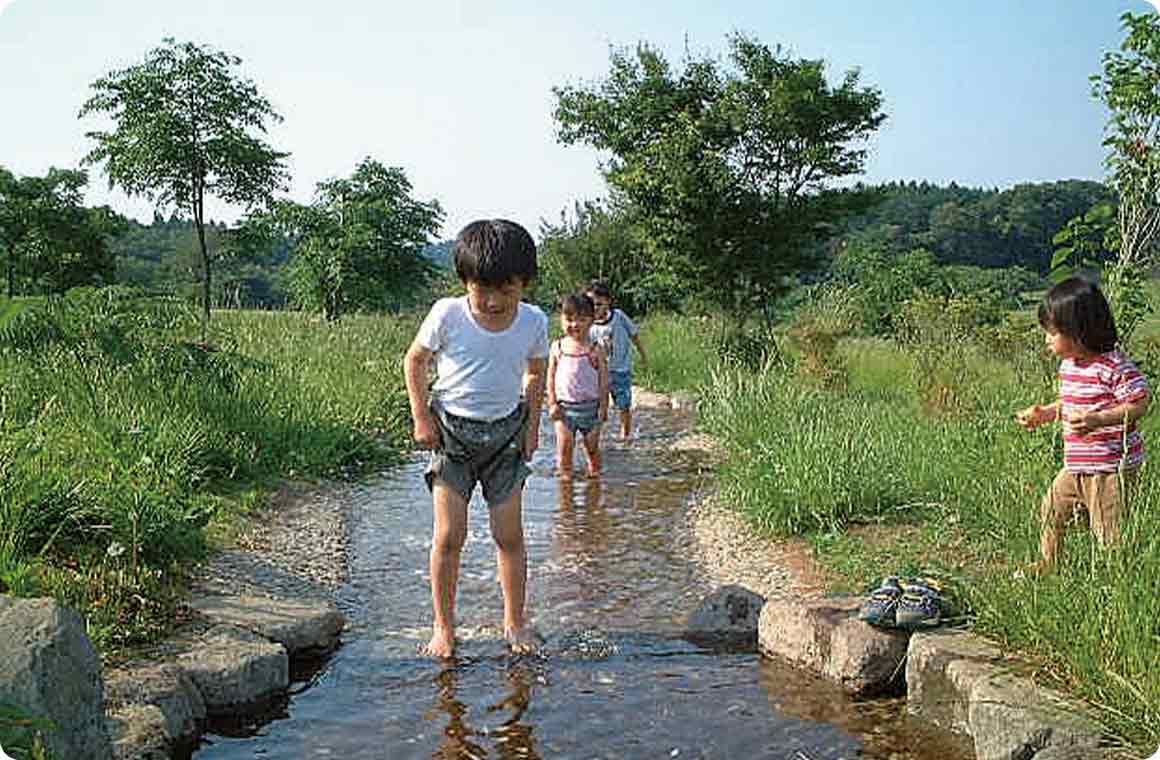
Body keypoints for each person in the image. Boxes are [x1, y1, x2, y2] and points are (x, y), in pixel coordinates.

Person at [403, 219, 548, 657]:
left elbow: (537, 373)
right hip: (452, 437)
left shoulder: (534, 321)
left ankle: (515, 622)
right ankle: (444, 627)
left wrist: (533, 427)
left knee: (510, 535)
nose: (492, 301)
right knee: (449, 535)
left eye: (507, 290)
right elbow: (414, 361)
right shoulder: (447, 314)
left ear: (525, 283)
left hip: (506, 436)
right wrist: (421, 417)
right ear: (464, 281)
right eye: (480, 289)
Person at [1015, 277, 1150, 574]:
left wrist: (1099, 419)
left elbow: (1139, 404)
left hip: (1110, 468)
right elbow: (1070, 404)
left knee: (1110, 531)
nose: (1047, 340)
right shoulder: (1070, 365)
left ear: (1078, 332)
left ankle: (1119, 580)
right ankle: (1050, 563)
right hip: (1075, 465)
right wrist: (1045, 413)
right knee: (1051, 508)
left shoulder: (1114, 367)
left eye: (1052, 333)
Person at [547, 292, 609, 478]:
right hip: (564, 409)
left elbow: (604, 381)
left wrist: (603, 408)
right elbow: (550, 377)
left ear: (592, 320)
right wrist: (552, 403)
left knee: (591, 448)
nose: (574, 325)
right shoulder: (557, 347)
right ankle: (566, 488)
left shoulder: (595, 349)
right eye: (569, 319)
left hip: (591, 408)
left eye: (581, 319)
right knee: (564, 449)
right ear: (561, 320)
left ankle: (595, 478)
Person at [585, 281, 648, 440]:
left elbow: (634, 335)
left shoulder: (619, 316)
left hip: (620, 370)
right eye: (592, 305)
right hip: (599, 372)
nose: (596, 308)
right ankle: (596, 434)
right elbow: (587, 348)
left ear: (608, 302)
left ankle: (625, 434)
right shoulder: (589, 325)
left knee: (623, 404)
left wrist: (643, 355)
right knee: (597, 405)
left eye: (599, 304)